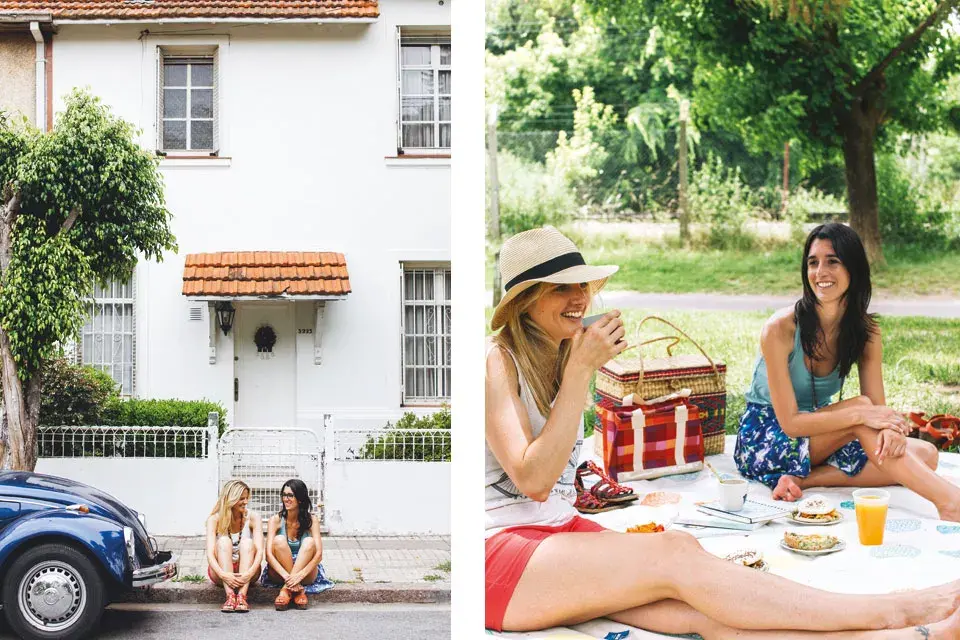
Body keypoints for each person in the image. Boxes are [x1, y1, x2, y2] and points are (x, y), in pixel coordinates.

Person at [485, 226, 960, 638]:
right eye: (561, 290)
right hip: (498, 551)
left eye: (584, 287)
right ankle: (897, 608)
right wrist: (581, 374)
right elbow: (533, 481)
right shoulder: (495, 361)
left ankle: (911, 635)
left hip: (553, 533)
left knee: (703, 609)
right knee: (675, 554)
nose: (581, 300)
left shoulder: (555, 356)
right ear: (525, 301)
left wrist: (575, 369)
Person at [734, 223, 960, 522]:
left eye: (833, 261)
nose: (820, 272)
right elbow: (790, 423)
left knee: (926, 455)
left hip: (820, 428)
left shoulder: (866, 330)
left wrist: (890, 429)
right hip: (766, 435)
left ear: (853, 269)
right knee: (863, 411)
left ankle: (805, 479)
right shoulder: (780, 329)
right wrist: (861, 416)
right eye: (813, 262)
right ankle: (951, 502)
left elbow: (877, 407)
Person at [205, 479, 264, 612]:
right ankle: (230, 596)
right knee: (224, 541)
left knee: (247, 542)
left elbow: (260, 551)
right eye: (241, 499)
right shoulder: (214, 519)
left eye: (247, 498)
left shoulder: (253, 517)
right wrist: (223, 575)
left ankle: (242, 596)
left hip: (248, 571)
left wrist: (249, 573)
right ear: (231, 499)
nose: (246, 502)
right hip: (221, 572)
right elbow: (209, 553)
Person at [265, 478, 324, 610]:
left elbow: (319, 554)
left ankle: (285, 591)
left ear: (300, 498)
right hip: (280, 573)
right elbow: (268, 555)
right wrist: (288, 578)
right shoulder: (275, 520)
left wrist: (299, 576)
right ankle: (296, 590)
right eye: (284, 495)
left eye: (290, 495)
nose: (286, 499)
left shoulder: (312, 520)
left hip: (305, 574)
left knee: (309, 542)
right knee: (278, 540)